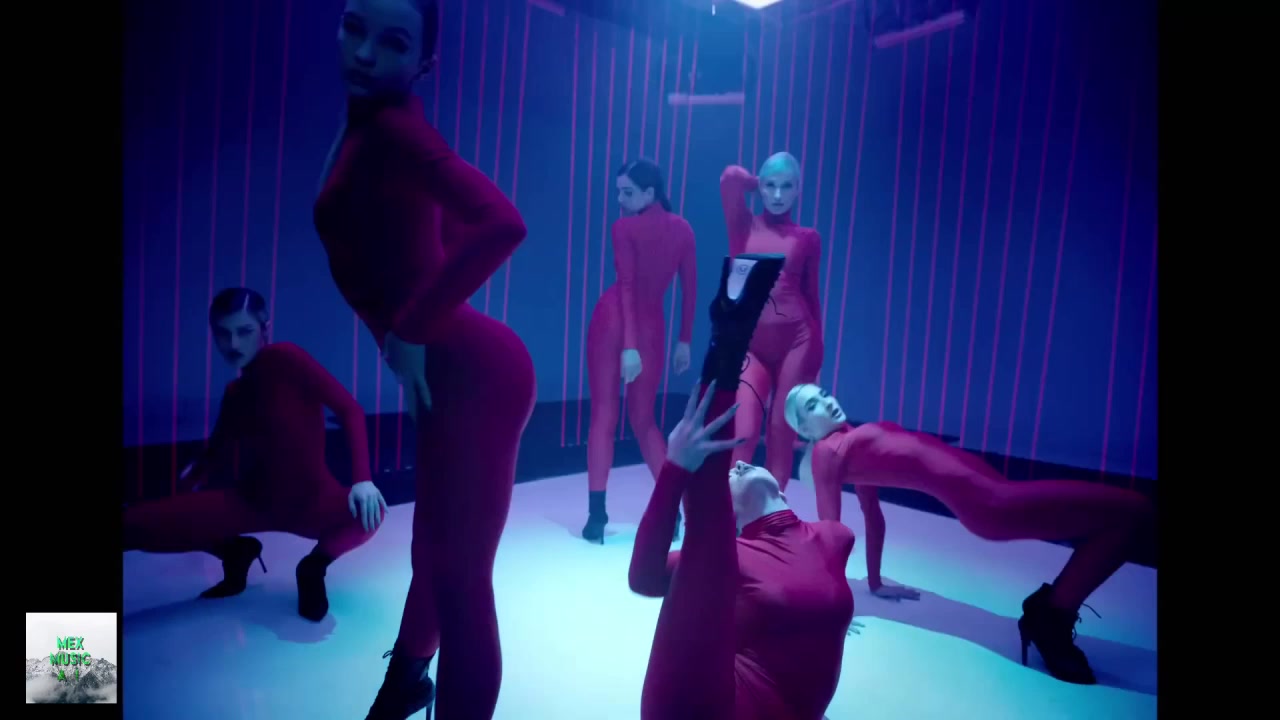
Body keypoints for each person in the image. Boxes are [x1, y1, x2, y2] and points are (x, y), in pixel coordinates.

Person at [312, 2, 536, 718]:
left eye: (392, 41)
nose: (364, 52)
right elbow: (435, 236)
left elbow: (501, 223)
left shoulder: (396, 131)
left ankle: (62, 687)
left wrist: (410, 326)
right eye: (354, 27)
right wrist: (412, 328)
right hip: (449, 373)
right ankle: (405, 684)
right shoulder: (371, 124)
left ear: (424, 64)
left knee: (461, 576)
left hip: (474, 374)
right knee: (434, 554)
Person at [784, 383, 1155, 685]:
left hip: (993, 490)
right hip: (990, 502)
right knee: (1134, 512)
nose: (826, 402)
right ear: (803, 430)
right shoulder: (827, 453)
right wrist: (832, 609)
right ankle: (1051, 617)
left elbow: (872, 516)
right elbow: (831, 532)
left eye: (824, 394)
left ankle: (1052, 615)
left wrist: (876, 582)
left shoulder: (847, 440)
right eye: (812, 406)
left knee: (1129, 516)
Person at [629, 254, 856, 720]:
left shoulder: (834, 539)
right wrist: (675, 469)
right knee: (709, 550)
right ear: (728, 517)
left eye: (735, 469)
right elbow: (643, 578)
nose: (738, 468)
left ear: (782, 488)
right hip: (714, 706)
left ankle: (729, 334)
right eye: (727, 475)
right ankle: (729, 340)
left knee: (712, 549)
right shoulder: (729, 553)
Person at [123, 288, 387, 623]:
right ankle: (235, 551)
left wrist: (363, 479)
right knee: (132, 525)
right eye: (223, 333)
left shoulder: (287, 358)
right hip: (250, 503)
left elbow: (350, 410)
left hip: (312, 503)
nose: (233, 344)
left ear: (265, 329)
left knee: (371, 510)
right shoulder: (235, 392)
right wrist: (186, 485)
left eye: (244, 331)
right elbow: (214, 452)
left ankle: (313, 568)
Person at [582, 159, 697, 544]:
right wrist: (683, 340)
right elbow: (689, 289)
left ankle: (597, 517)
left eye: (627, 192)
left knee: (606, 414)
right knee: (643, 421)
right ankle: (671, 511)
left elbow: (628, 285)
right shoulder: (682, 229)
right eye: (619, 191)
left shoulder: (624, 228)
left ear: (650, 192)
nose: (620, 199)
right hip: (648, 327)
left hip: (614, 322)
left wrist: (630, 346)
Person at [719, 153, 824, 491]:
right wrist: (756, 181)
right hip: (751, 346)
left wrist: (815, 367)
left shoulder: (807, 238)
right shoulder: (743, 225)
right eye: (770, 186)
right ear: (760, 187)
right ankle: (729, 515)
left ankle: (769, 517)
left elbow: (812, 297)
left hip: (798, 343)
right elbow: (729, 177)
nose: (778, 195)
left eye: (787, 186)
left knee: (781, 433)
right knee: (744, 433)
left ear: (798, 190)